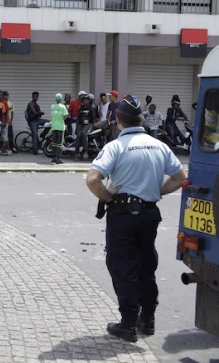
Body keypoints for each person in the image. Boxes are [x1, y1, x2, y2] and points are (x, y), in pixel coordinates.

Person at [86, 94, 186, 343]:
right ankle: (148, 319)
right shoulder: (159, 145)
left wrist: (108, 198)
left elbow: (92, 180)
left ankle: (128, 324)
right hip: (150, 213)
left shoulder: (115, 147)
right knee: (146, 265)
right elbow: (179, 177)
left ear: (118, 120)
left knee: (124, 267)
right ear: (141, 119)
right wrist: (155, 191)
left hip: (123, 215)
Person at [74, 95, 96, 161]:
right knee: (78, 135)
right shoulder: (80, 107)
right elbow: (78, 117)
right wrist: (77, 126)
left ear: (89, 101)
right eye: (84, 100)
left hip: (88, 124)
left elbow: (93, 118)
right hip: (81, 124)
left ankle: (85, 151)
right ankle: (76, 152)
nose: (86, 101)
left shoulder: (91, 108)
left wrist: (92, 126)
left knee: (84, 133)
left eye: (87, 100)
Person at [50, 93, 69, 164]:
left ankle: (53, 158)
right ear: (61, 99)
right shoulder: (63, 107)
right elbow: (65, 116)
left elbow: (52, 115)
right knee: (59, 144)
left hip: (54, 127)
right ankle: (58, 159)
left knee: (54, 143)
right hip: (60, 127)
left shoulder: (52, 106)